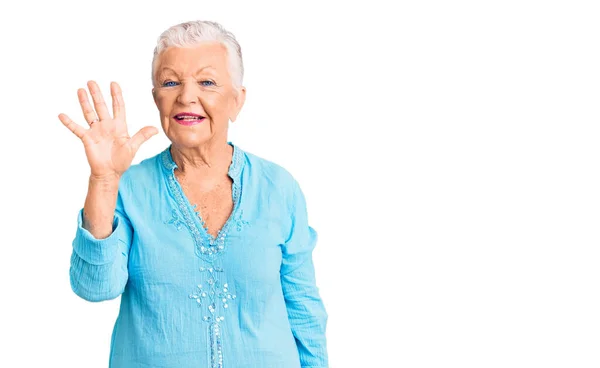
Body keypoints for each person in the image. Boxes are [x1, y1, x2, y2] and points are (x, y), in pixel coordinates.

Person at [59, 20, 328, 368]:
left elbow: (304, 310)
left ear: (237, 100)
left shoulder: (278, 188)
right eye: (170, 82)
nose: (186, 96)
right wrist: (105, 181)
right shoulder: (128, 188)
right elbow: (95, 287)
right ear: (157, 98)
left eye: (207, 82)